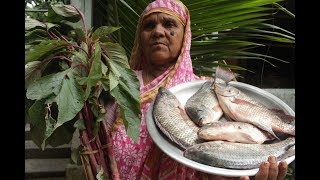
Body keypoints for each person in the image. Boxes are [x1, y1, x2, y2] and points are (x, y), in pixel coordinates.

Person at [106, 0, 289, 179]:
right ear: (140, 36)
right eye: (149, 26)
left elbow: (225, 151)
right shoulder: (119, 84)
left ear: (185, 35)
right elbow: (101, 146)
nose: (158, 32)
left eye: (169, 24)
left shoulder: (207, 90)